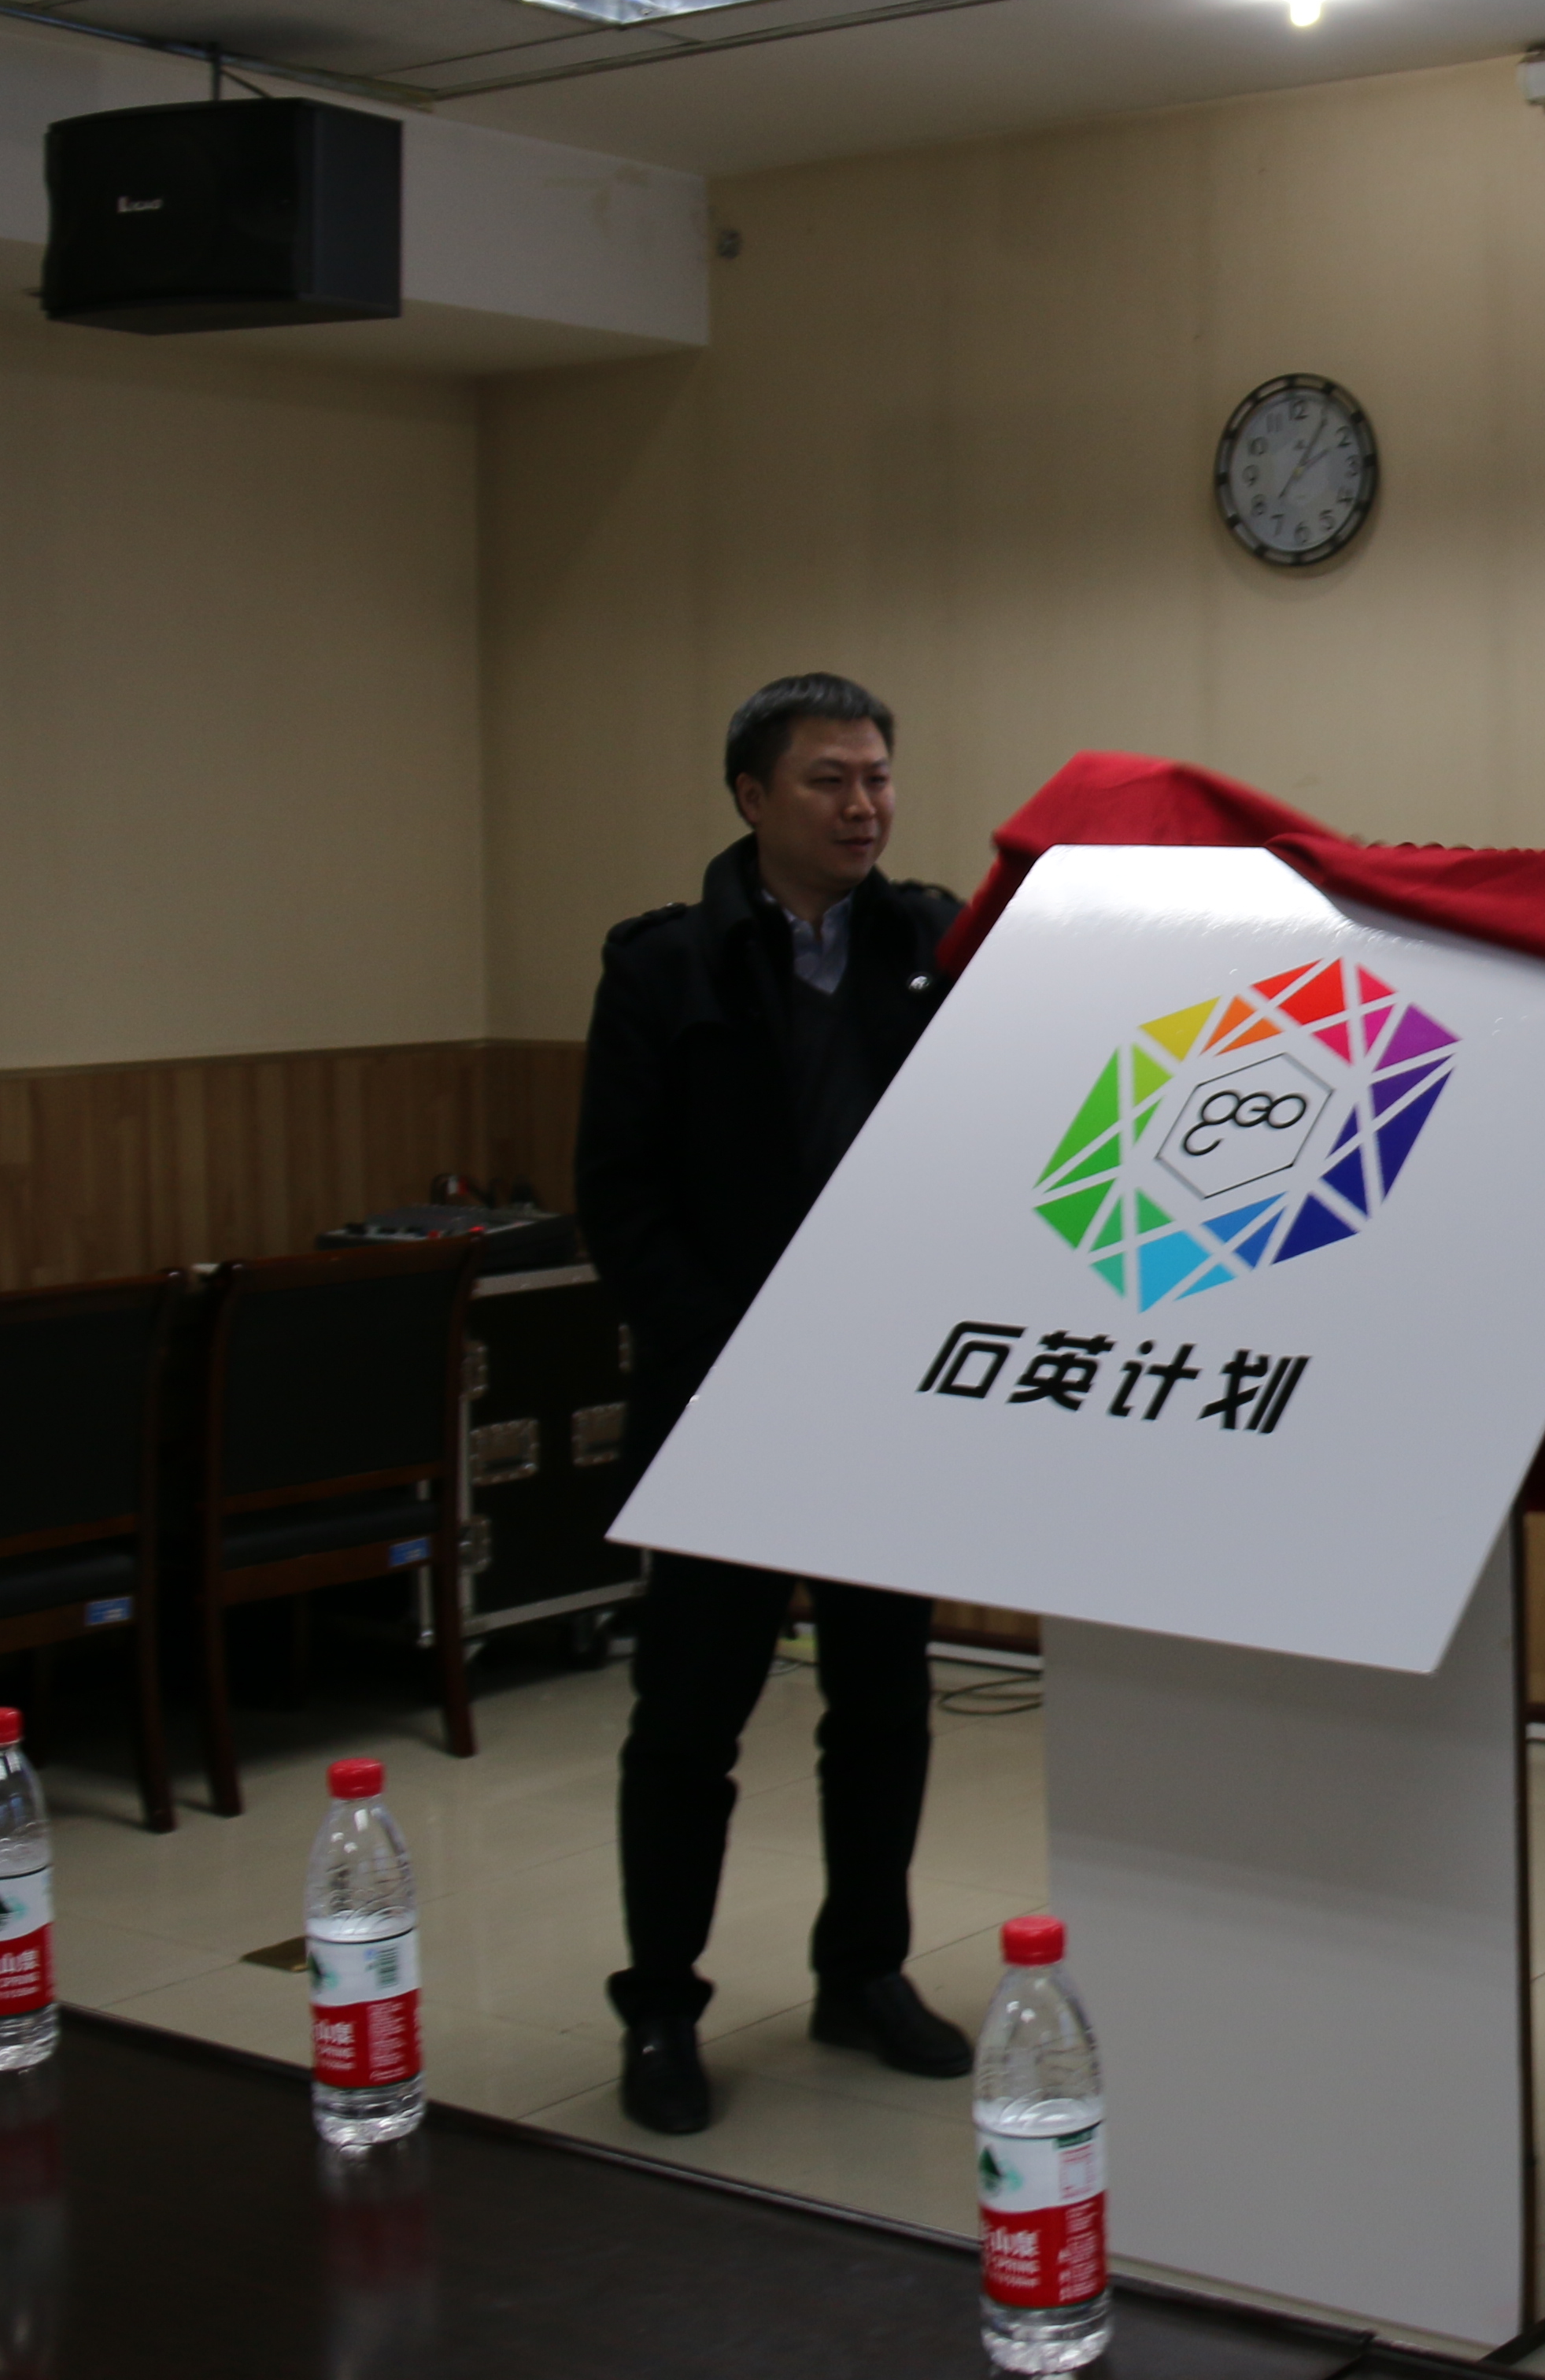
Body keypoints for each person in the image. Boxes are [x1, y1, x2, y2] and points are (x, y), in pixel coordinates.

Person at [576, 672, 974, 2134]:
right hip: (724, 1399)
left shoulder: (934, 943)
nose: (864, 806)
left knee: (883, 1704)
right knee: (691, 1720)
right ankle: (662, 2007)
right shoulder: (665, 967)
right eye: (829, 781)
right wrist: (740, 1355)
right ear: (752, 798)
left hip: (883, 1395)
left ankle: (861, 1973)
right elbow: (620, 1201)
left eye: (878, 778)